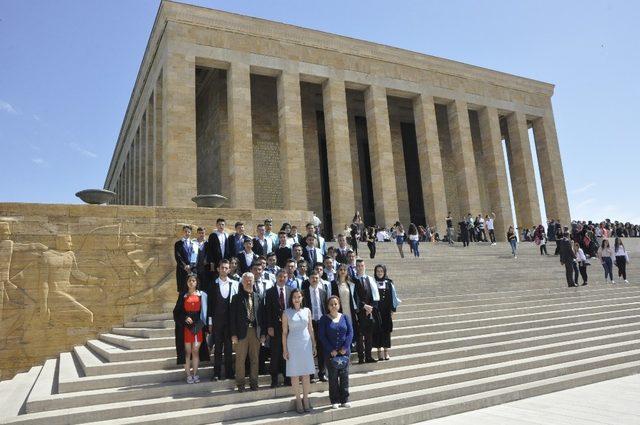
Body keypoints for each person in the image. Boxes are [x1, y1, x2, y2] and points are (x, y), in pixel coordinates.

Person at [282, 288, 317, 413]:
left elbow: (310, 328)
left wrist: (314, 344)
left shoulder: (307, 310)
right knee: (295, 374)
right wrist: (285, 349)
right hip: (293, 344)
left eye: (299, 296)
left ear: (302, 297)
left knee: (306, 373)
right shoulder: (286, 312)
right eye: (294, 297)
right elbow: (284, 333)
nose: (296, 299)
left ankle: (306, 399)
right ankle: (298, 400)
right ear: (291, 299)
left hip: (306, 343)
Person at [230, 272, 265, 392]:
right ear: (242, 282)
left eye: (251, 280)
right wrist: (233, 334)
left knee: (255, 359)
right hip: (241, 333)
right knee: (240, 359)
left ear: (254, 281)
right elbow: (232, 318)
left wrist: (263, 334)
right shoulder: (236, 298)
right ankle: (240, 384)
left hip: (255, 332)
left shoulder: (259, 297)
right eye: (246, 280)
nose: (249, 282)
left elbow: (262, 317)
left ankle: (254, 383)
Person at [318, 295, 354, 409]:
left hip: (344, 353)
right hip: (331, 354)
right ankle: (334, 400)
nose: (334, 306)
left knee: (344, 376)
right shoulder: (324, 319)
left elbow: (350, 333)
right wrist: (331, 350)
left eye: (336, 304)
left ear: (339, 305)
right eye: (331, 304)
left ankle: (345, 399)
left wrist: (345, 347)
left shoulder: (345, 317)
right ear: (328, 306)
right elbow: (322, 336)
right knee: (333, 378)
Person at [173, 274, 210, 384]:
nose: (191, 282)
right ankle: (188, 375)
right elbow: (177, 312)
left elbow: (205, 312)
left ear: (196, 282)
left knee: (195, 351)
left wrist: (206, 326)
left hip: (198, 326)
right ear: (187, 282)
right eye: (189, 280)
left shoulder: (202, 295)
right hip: (186, 327)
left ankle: (195, 374)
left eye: (193, 280)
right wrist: (185, 317)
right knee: (187, 351)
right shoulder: (182, 296)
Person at [208, 259, 239, 381]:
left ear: (229, 270)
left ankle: (229, 373)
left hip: (230, 322)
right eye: (222, 267)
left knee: (228, 348)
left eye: (226, 268)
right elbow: (210, 305)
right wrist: (210, 322)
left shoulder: (235, 284)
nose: (224, 270)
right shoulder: (213, 284)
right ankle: (216, 373)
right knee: (218, 349)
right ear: (218, 269)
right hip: (217, 321)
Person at [265, 270, 292, 387]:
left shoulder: (290, 291)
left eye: (284, 276)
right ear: (276, 278)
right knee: (275, 353)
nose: (282, 278)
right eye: (280, 276)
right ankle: (274, 379)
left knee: (287, 352)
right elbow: (268, 310)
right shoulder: (270, 292)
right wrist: (269, 326)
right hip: (275, 327)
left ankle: (287, 378)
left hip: (289, 327)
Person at [353, 259, 380, 364]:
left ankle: (368, 356)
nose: (360, 267)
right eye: (358, 266)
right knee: (360, 336)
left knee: (369, 335)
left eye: (362, 265)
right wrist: (364, 306)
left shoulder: (370, 279)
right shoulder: (353, 280)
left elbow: (375, 295)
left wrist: (371, 308)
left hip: (370, 312)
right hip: (359, 311)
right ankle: (361, 357)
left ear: (365, 266)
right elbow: (354, 297)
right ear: (355, 267)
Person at [303, 271, 328, 382]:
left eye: (316, 278)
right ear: (309, 279)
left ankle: (322, 373)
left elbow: (325, 309)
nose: (314, 280)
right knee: (310, 349)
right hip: (309, 323)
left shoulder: (323, 292)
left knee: (322, 349)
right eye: (312, 278)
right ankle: (311, 375)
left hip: (321, 323)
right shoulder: (304, 293)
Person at [372, 265, 400, 361]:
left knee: (386, 332)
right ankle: (379, 352)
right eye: (378, 271)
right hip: (376, 312)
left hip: (386, 312)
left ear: (384, 272)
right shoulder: (373, 282)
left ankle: (386, 351)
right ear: (375, 272)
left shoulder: (389, 283)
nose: (379, 273)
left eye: (381, 271)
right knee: (377, 331)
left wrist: (393, 310)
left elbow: (393, 297)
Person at [174, 225, 193, 293]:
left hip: (191, 270)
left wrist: (191, 265)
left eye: (189, 232)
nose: (187, 233)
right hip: (181, 269)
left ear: (190, 233)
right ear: (183, 232)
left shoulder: (193, 243)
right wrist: (185, 266)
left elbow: (194, 255)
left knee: (191, 289)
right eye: (185, 231)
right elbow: (178, 256)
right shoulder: (178, 244)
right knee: (182, 290)